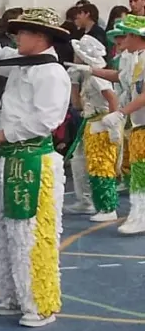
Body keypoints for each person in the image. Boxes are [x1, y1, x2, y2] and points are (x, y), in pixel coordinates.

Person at [0, 8, 71, 326]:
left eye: (22, 33)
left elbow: (46, 119)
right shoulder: (25, 65)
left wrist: (3, 134)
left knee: (31, 234)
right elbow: (0, 53)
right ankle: (13, 295)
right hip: (9, 158)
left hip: (32, 159)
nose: (16, 39)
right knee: (3, 233)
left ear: (40, 37)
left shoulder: (50, 73)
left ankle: (40, 303)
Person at [88, 15, 145, 234]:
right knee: (139, 172)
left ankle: (140, 216)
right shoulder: (136, 59)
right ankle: (138, 214)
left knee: (141, 172)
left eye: (125, 35)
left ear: (135, 36)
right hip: (139, 125)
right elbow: (119, 77)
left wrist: (121, 113)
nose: (121, 40)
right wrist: (91, 71)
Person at [66, 35, 119, 221]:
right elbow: (78, 105)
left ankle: (108, 207)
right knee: (79, 161)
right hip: (89, 123)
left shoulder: (97, 76)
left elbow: (112, 98)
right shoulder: (87, 76)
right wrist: (73, 83)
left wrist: (113, 124)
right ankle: (86, 200)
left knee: (101, 165)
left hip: (100, 123)